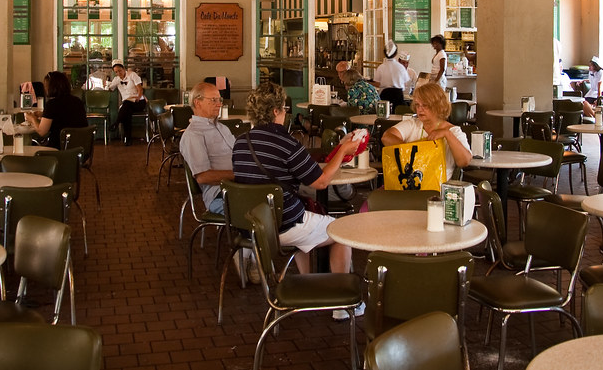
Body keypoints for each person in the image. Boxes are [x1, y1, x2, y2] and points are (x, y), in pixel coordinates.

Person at [232, 82, 363, 306]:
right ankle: (342, 305)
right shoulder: (287, 143)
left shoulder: (241, 143)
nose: (285, 113)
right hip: (283, 225)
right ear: (275, 111)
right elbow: (320, 182)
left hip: (251, 226)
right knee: (341, 232)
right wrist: (342, 151)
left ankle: (307, 284)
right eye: (283, 109)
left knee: (308, 227)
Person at [381, 82, 472, 182]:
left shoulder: (453, 131)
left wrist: (447, 134)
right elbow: (386, 137)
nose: (420, 109)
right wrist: (412, 150)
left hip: (438, 188)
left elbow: (464, 161)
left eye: (425, 105)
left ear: (438, 106)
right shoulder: (413, 124)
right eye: (417, 105)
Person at [179, 82, 235, 214]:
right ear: (197, 102)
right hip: (220, 195)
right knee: (263, 209)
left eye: (219, 99)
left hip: (240, 187)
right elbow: (203, 177)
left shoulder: (222, 128)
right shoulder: (193, 134)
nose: (219, 104)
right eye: (214, 100)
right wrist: (241, 174)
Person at [24, 71, 87, 147]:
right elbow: (65, 116)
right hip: (79, 149)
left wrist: (32, 119)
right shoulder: (77, 101)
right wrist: (44, 114)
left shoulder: (52, 104)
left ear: (51, 87)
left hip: (59, 149)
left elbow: (42, 131)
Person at [105, 62, 146, 145]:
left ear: (124, 69)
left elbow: (140, 89)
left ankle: (116, 123)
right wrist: (105, 85)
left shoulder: (132, 75)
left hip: (138, 102)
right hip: (127, 104)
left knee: (126, 105)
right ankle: (128, 139)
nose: (118, 73)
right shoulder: (116, 80)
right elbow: (110, 88)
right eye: (116, 72)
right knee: (126, 113)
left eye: (120, 71)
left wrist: (138, 96)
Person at [372, 40, 410, 109]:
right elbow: (405, 83)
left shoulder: (381, 67)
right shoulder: (401, 67)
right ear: (396, 54)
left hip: (385, 95)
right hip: (398, 96)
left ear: (384, 53)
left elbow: (377, 83)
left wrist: (369, 82)